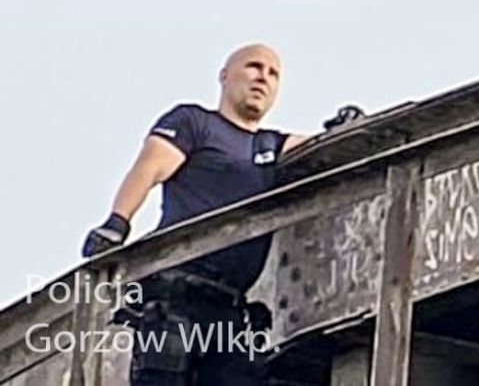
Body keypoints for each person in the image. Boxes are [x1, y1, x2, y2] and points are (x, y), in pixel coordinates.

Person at [81, 42, 363, 384]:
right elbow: (150, 167)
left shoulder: (270, 146)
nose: (263, 78)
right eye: (253, 67)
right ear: (225, 76)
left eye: (273, 73)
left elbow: (321, 145)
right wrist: (117, 222)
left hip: (229, 306)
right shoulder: (194, 123)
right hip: (177, 291)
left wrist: (347, 128)